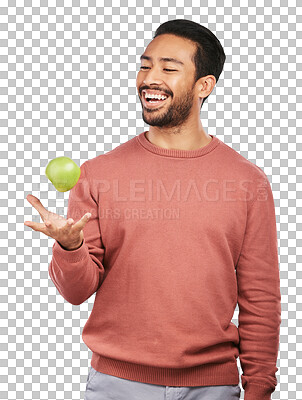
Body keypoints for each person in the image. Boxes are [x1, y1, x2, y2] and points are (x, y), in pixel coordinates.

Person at [24, 19, 281, 400]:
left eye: (168, 68)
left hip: (213, 388)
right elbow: (77, 293)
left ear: (204, 86)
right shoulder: (97, 174)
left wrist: (259, 387)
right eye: (146, 65)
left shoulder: (248, 182)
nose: (150, 78)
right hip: (115, 387)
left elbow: (259, 295)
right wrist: (70, 248)